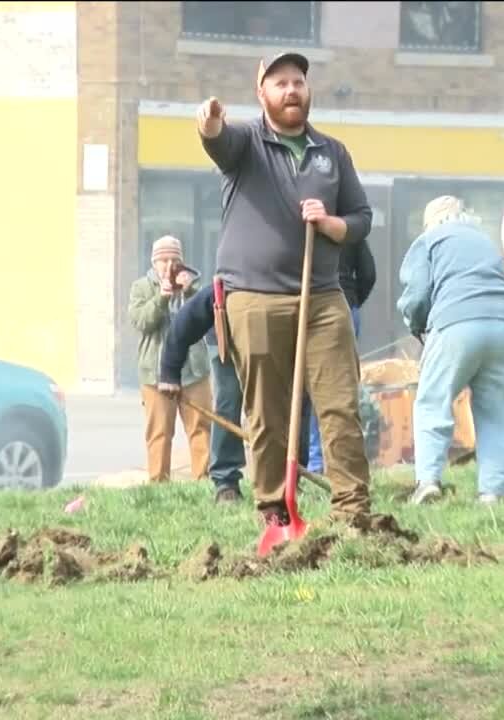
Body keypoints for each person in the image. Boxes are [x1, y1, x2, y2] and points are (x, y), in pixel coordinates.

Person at [192, 52, 376, 527]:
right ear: (262, 94)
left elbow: (361, 218)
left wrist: (330, 222)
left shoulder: (332, 153)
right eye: (280, 83)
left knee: (339, 404)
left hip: (323, 297)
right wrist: (210, 124)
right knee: (267, 412)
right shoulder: (247, 144)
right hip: (255, 297)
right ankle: (274, 510)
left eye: (298, 82)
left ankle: (352, 510)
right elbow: (218, 143)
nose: (292, 90)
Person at [396, 196, 504, 506]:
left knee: (433, 400)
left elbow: (415, 294)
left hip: (457, 321)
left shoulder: (429, 240)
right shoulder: (484, 240)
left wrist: (417, 325)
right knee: (499, 412)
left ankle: (428, 481)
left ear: (431, 222)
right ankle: (493, 493)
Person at [158, 279, 313, 505]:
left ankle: (290, 476)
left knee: (293, 402)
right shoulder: (236, 277)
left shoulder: (288, 278)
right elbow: (186, 320)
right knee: (228, 400)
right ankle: (225, 482)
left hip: (282, 338)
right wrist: (170, 372)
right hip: (227, 338)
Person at [127, 235, 213, 484]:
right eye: (163, 260)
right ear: (154, 262)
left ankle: (203, 480)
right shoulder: (141, 288)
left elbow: (208, 317)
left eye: (174, 260)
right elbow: (141, 322)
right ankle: (158, 483)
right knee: (159, 432)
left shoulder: (193, 287)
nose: (168, 266)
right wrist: (161, 298)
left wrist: (191, 292)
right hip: (155, 373)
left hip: (194, 369)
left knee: (200, 428)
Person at [305, 238, 376, 475]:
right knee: (342, 387)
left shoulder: (293, 220)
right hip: (345, 304)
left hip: (304, 306)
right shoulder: (347, 227)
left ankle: (315, 463)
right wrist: (352, 301)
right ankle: (344, 464)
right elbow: (368, 274)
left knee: (307, 388)